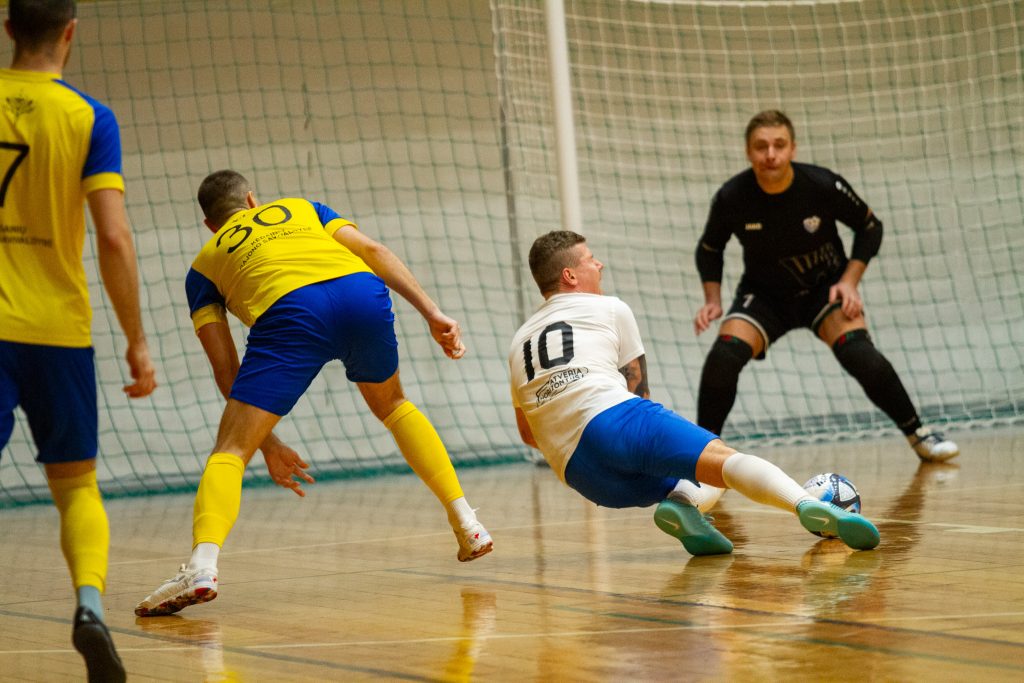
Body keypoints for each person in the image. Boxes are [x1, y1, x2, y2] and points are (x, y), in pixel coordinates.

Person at [135, 170, 492, 617]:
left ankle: (202, 568)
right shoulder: (306, 208)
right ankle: (467, 523)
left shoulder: (202, 268)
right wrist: (433, 313)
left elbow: (225, 368)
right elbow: (374, 252)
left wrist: (267, 442)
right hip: (360, 292)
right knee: (394, 404)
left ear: (209, 224)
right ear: (251, 199)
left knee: (229, 449)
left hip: (289, 313)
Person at [508, 230, 880, 557]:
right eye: (591, 259)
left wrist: (580, 439)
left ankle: (684, 507)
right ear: (570, 275)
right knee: (722, 460)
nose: (600, 265)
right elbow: (639, 389)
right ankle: (809, 504)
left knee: (693, 481)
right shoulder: (609, 308)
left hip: (581, 475)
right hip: (614, 418)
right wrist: (627, 436)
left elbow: (529, 434)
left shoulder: (518, 343)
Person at [0, 1, 157, 680]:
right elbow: (114, 237)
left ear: (8, 27)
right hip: (60, 331)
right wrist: (136, 341)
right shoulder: (91, 118)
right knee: (76, 485)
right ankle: (90, 605)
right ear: (70, 32)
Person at [693, 109, 958, 475]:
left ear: (793, 148)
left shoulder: (822, 185)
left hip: (824, 290)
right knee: (724, 356)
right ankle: (703, 457)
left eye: (779, 145)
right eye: (761, 146)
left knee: (859, 352)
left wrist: (849, 281)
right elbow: (709, 249)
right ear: (748, 153)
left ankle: (919, 434)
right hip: (765, 296)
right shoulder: (732, 196)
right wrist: (712, 300)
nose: (770, 154)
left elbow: (870, 227)